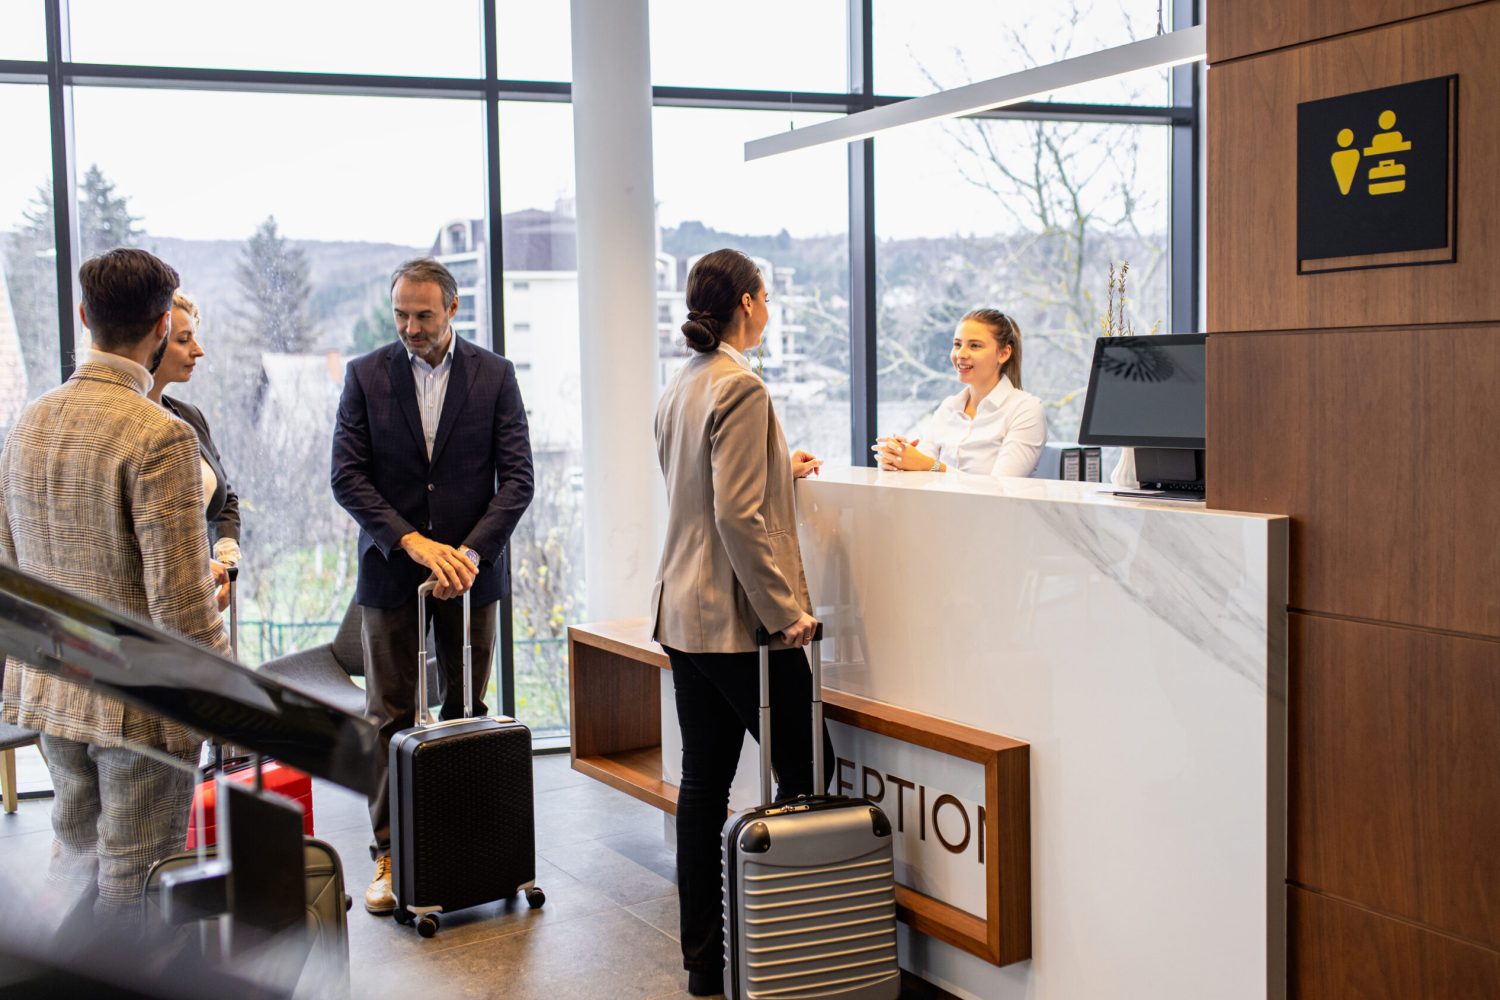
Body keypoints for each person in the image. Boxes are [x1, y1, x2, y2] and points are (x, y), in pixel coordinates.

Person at [0, 248, 231, 922]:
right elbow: (181, 609)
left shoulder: (27, 422)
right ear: (163, 326)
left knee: (76, 863)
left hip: (54, 691)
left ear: (84, 317)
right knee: (136, 889)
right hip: (141, 706)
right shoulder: (160, 435)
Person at [650, 248, 832, 998]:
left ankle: (706, 963)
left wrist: (775, 468)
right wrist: (786, 613)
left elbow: (702, 489)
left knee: (703, 784)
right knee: (808, 769)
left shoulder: (683, 383)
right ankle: (787, 946)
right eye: (768, 298)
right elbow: (734, 514)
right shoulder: (742, 385)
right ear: (750, 304)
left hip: (681, 612)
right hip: (736, 621)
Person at [331, 257, 534, 916]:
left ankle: (459, 845)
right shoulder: (365, 376)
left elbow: (519, 479)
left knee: (464, 713)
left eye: (422, 315)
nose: (410, 328)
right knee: (389, 715)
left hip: (471, 578)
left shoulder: (496, 375)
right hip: (392, 570)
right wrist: (414, 543)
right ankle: (389, 853)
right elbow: (347, 476)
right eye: (401, 315)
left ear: (451, 309)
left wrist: (468, 555)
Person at [873, 308, 1046, 478]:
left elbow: (1000, 489)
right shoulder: (948, 407)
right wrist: (898, 458)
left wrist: (930, 466)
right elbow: (921, 468)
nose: (960, 354)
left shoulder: (1026, 410)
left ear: (1003, 353)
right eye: (957, 344)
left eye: (975, 346)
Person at [147, 290, 242, 582]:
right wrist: (199, 566)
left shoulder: (190, 417)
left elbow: (225, 497)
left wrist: (226, 552)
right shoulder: (126, 425)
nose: (198, 350)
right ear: (152, 340)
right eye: (183, 339)